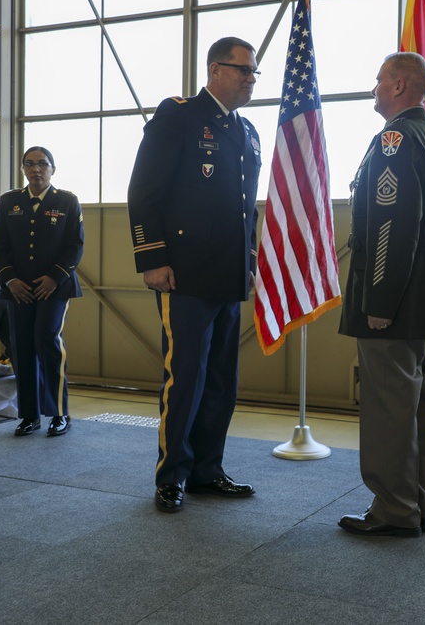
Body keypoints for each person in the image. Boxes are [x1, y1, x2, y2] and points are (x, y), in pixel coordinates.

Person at [127, 36, 262, 513]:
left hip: (227, 276)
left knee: (222, 379)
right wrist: (153, 257)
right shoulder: (179, 116)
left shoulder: (247, 132)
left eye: (253, 72)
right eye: (243, 70)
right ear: (215, 70)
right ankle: (173, 474)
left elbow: (248, 212)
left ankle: (208, 469)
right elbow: (144, 190)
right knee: (184, 375)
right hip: (182, 273)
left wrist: (248, 265)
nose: (250, 78)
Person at [337, 52, 425, 538]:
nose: (373, 88)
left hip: (396, 297)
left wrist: (379, 303)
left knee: (390, 408)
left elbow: (392, 226)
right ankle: (418, 503)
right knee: (413, 407)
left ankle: (393, 509)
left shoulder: (394, 141)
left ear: (400, 86)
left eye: (379, 80)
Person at [0, 146, 84, 437]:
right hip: (18, 288)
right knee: (22, 347)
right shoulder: (9, 201)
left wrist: (55, 277)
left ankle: (59, 413)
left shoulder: (67, 201)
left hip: (54, 288)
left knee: (47, 338)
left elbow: (75, 245)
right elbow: (0, 244)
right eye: (29, 164)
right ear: (23, 169)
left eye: (43, 164)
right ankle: (29, 415)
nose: (36, 169)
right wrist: (9, 280)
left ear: (52, 169)